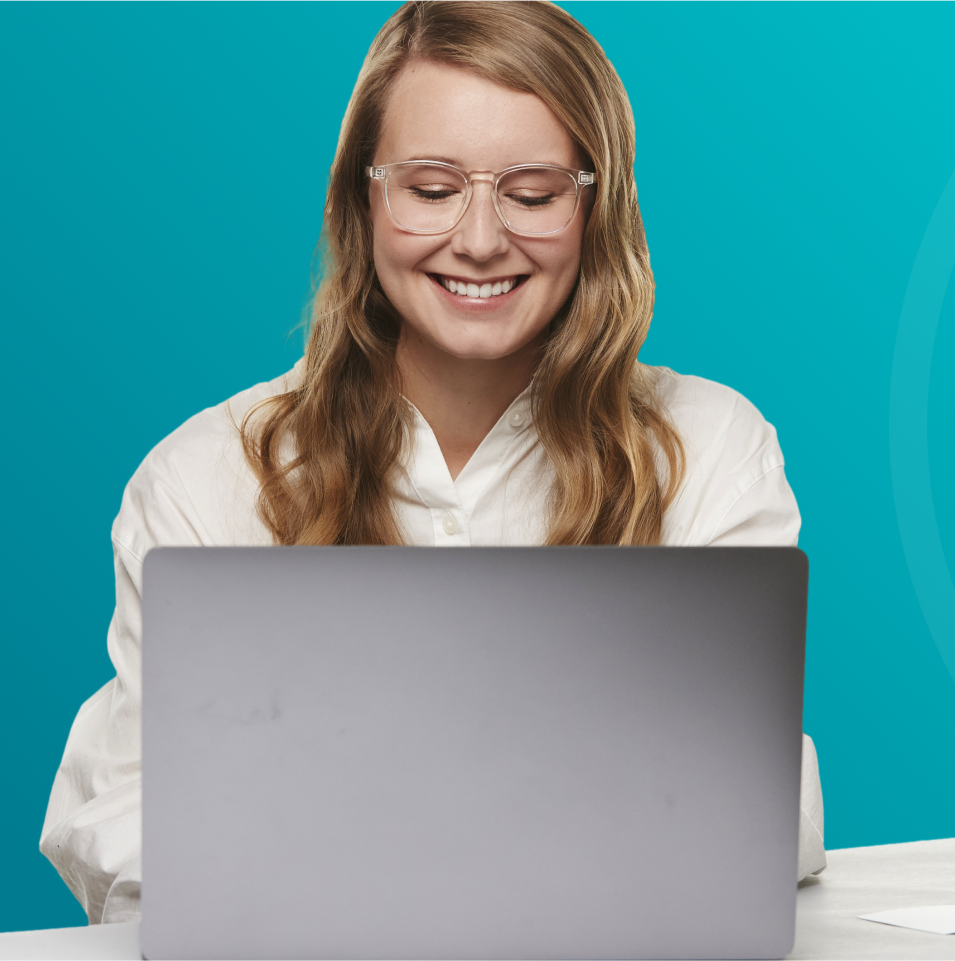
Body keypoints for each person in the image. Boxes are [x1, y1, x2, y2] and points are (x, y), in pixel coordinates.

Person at [40, 0, 825, 924]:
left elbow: (761, 812)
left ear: (595, 206)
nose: (483, 238)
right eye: (431, 187)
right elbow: (124, 826)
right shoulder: (207, 477)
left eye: (533, 192)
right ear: (361, 199)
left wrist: (340, 821)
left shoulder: (709, 450)